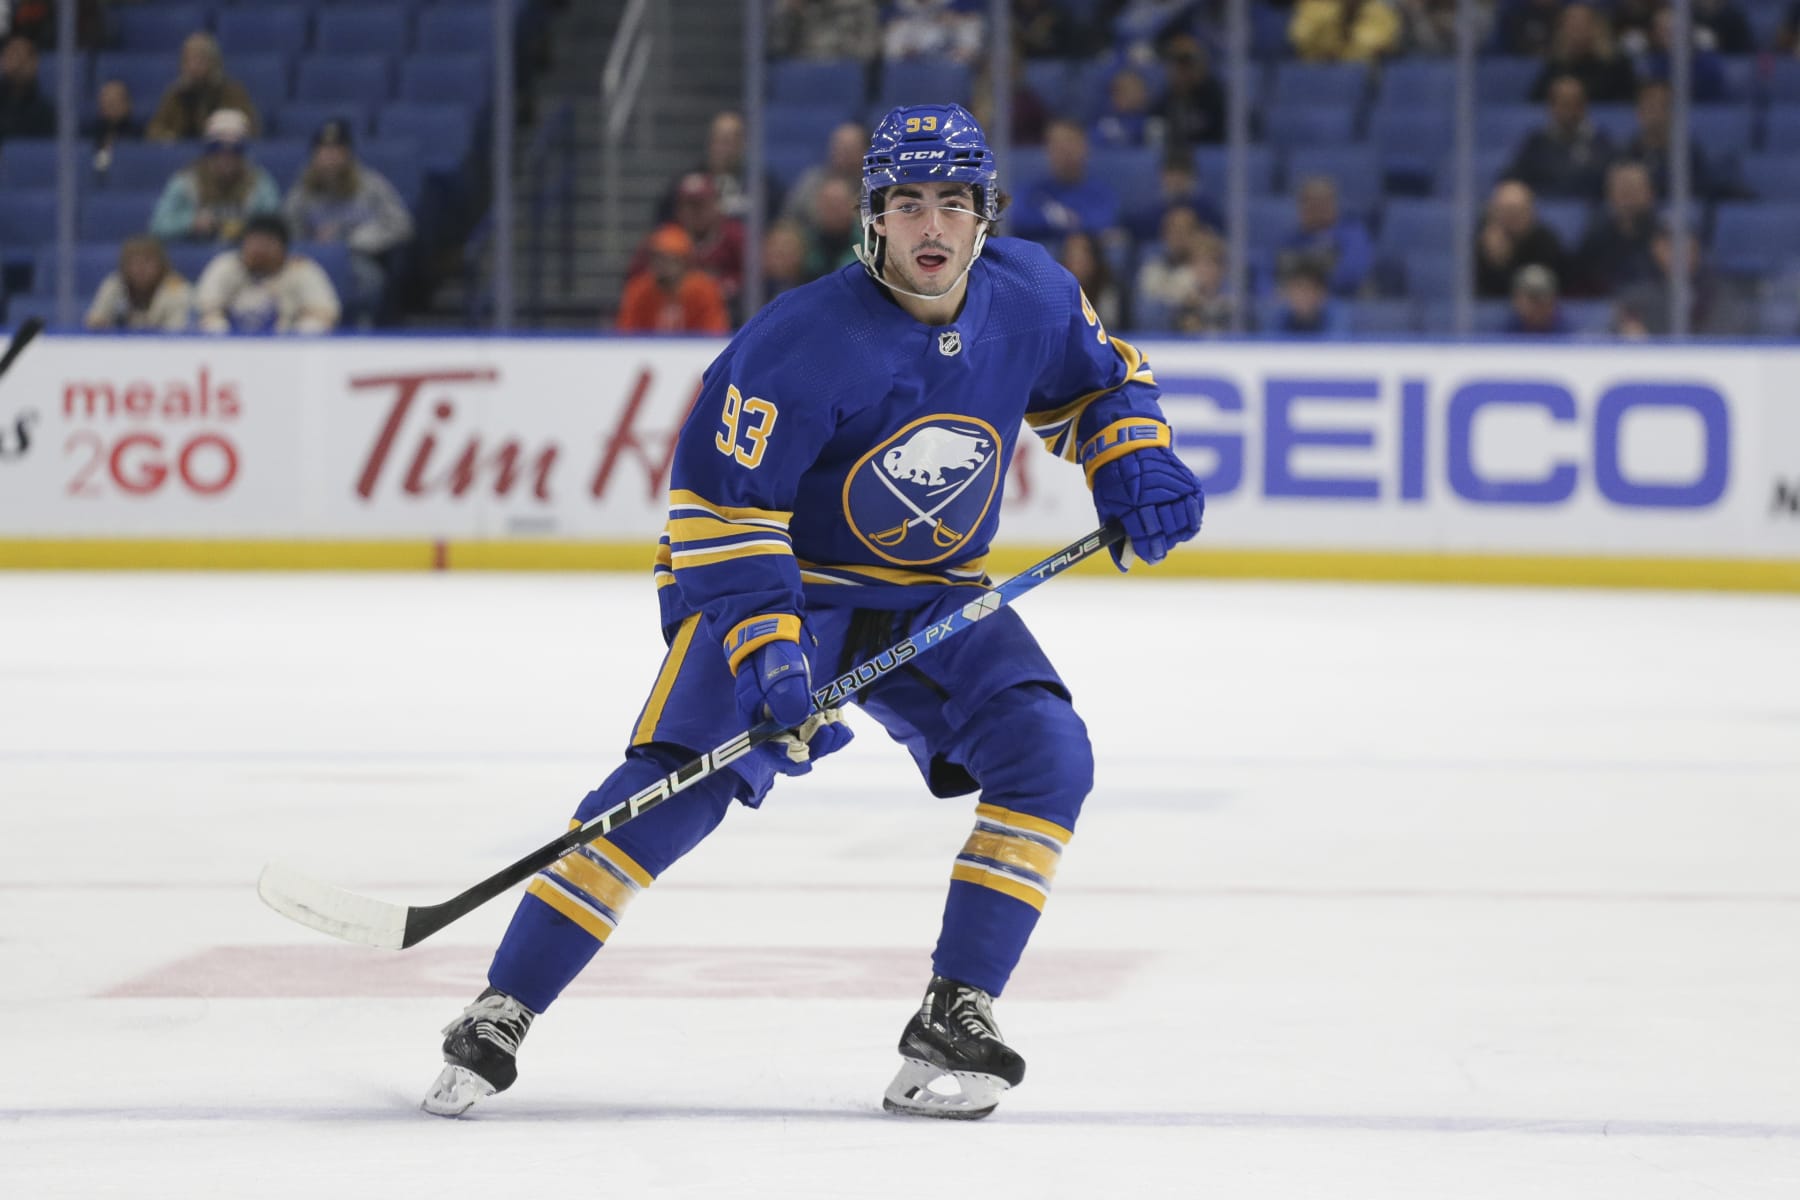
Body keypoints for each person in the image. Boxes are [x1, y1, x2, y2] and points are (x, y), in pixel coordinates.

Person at [422, 103, 1204, 1122]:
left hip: (933, 594)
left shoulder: (1036, 297)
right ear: (871, 217)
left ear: (986, 215)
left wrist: (1134, 460)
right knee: (673, 796)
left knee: (1048, 754)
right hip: (785, 583)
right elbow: (720, 512)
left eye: (954, 203)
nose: (932, 225)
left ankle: (954, 1012)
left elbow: (1104, 388)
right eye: (908, 202)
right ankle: (504, 1005)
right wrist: (769, 657)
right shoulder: (801, 340)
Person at [282, 118, 415, 325]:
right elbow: (288, 229)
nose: (330, 157)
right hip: (312, 259)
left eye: (336, 150)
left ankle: (362, 332)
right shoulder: (302, 190)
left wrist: (351, 239)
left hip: (355, 258)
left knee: (369, 279)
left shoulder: (371, 184)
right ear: (314, 155)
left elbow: (401, 224)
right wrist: (311, 244)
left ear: (348, 154)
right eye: (324, 151)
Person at [149, 108, 281, 245]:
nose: (226, 158)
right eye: (218, 150)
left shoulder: (259, 183)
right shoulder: (186, 182)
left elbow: (276, 227)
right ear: (208, 153)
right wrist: (191, 223)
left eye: (234, 151)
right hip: (198, 250)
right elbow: (157, 226)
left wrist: (249, 228)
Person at [193, 213, 341, 334]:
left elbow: (327, 313)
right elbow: (204, 307)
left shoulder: (302, 270)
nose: (258, 250)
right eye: (253, 243)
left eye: (267, 243)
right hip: (232, 344)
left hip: (287, 347)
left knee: (313, 326)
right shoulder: (225, 266)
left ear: (283, 248)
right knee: (212, 325)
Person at [1008, 119, 1125, 245]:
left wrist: (1067, 221)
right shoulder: (1032, 192)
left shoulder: (1100, 193)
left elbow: (1103, 222)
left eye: (1070, 142)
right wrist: (1051, 220)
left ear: (1085, 147)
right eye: (1057, 145)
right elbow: (1016, 218)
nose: (1065, 151)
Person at [1504, 73, 1614, 201]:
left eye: (1574, 103)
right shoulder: (1535, 143)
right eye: (1563, 103)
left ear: (1584, 106)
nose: (1569, 110)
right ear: (1551, 106)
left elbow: (1611, 182)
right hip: (1543, 210)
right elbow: (1511, 179)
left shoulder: (1601, 142)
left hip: (1593, 214)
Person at [614, 223, 731, 333]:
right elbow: (625, 334)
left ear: (684, 261)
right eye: (657, 257)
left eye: (670, 258)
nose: (661, 264)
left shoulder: (704, 290)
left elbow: (715, 334)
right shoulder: (638, 289)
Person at [146, 32, 261, 142]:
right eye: (188, 60)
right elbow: (154, 130)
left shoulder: (231, 91)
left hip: (222, 156)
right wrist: (168, 137)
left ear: (213, 62)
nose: (193, 66)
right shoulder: (175, 93)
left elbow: (251, 129)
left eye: (200, 59)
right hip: (183, 157)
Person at [1568, 159, 1659, 297]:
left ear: (1650, 193)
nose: (1628, 196)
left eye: (1634, 189)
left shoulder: (1663, 237)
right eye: (1622, 189)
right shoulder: (1595, 238)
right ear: (1609, 195)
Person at [1279, 175, 1374, 298]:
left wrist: (1313, 288)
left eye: (1322, 202)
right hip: (1297, 306)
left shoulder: (1353, 234)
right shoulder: (1290, 240)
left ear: (1334, 205)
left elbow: (1352, 272)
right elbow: (1272, 275)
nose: (1316, 209)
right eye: (1309, 203)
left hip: (1346, 302)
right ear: (1300, 208)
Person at [1528, 4, 1637, 105]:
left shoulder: (1616, 63)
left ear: (1597, 28)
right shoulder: (1556, 64)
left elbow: (1629, 101)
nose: (1576, 31)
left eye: (1582, 25)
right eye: (1570, 26)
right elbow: (1536, 101)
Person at [1475, 179, 1566, 298]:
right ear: (1494, 212)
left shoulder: (1546, 242)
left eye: (1518, 210)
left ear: (1531, 211)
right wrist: (1495, 262)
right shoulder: (1479, 242)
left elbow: (1553, 288)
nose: (1512, 217)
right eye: (1506, 211)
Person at [83, 235, 193, 332]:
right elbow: (94, 320)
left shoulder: (176, 288)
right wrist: (100, 324)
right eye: (134, 263)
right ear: (124, 265)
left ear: (161, 264)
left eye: (147, 262)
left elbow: (178, 332)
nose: (140, 269)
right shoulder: (115, 284)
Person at [778, 121, 866, 227]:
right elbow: (789, 221)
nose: (841, 153)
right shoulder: (812, 181)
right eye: (838, 146)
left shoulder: (876, 187)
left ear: (865, 151)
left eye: (848, 148)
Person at [1289, 0, 1402, 62]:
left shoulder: (1381, 12)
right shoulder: (1316, 9)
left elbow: (1380, 44)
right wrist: (1336, 18)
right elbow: (1299, 37)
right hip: (1315, 72)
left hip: (1364, 76)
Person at [1268, 258, 1350, 335]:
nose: (1302, 297)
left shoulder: (1339, 320)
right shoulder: (1279, 320)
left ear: (1321, 293)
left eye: (1307, 290)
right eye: (1297, 291)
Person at [0, 34, 54, 141]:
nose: (17, 63)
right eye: (12, 54)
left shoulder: (45, 112)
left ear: (34, 63)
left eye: (22, 56)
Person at [83, 79, 142, 174]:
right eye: (105, 100)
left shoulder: (140, 136)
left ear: (128, 104)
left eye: (114, 101)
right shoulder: (88, 134)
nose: (108, 105)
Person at [1503, 263, 1572, 334]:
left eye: (1543, 296)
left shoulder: (1568, 334)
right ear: (1517, 299)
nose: (1537, 305)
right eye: (1532, 297)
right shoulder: (1503, 333)